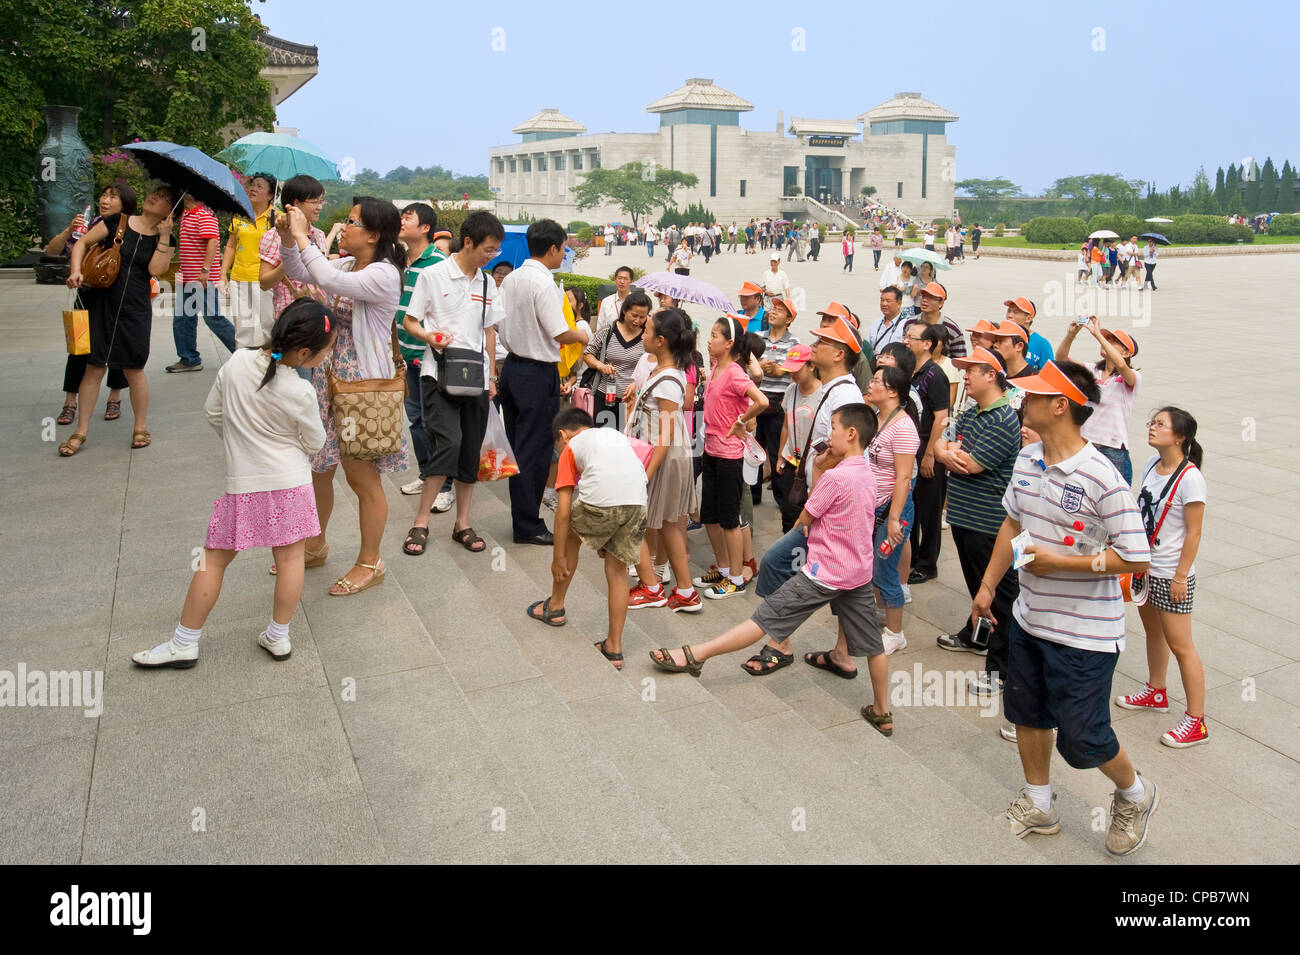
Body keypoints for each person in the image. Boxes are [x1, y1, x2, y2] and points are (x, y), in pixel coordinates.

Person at [971, 359, 1156, 857]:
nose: (1021, 401)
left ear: (1060, 406)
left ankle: (1134, 793)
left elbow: (1136, 556)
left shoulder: (1103, 477)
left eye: (1031, 395)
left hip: (1085, 635)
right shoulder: (1028, 458)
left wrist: (1065, 562)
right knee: (1027, 713)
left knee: (1083, 737)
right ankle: (1040, 803)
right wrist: (988, 585)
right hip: (1030, 620)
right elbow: (1011, 525)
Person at [651, 406, 892, 728]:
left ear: (851, 433)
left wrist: (819, 468)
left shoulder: (835, 476)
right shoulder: (868, 473)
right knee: (874, 648)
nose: (828, 435)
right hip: (859, 573)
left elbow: (806, 514)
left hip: (823, 573)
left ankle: (696, 654)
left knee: (763, 619)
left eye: (833, 427)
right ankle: (882, 711)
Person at [131, 300, 334, 668]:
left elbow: (212, 412)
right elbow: (316, 442)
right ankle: (278, 636)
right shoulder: (299, 391)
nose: (328, 353)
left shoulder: (238, 362)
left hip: (244, 484)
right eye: (326, 348)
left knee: (212, 561)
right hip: (291, 483)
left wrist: (239, 445)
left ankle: (184, 642)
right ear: (304, 351)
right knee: (290, 559)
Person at [277, 196, 405, 595]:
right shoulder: (350, 263)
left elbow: (326, 280)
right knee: (319, 467)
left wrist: (303, 235)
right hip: (328, 380)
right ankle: (316, 543)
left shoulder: (384, 274)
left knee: (361, 477)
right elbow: (302, 270)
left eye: (351, 222)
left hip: (361, 388)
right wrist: (287, 238)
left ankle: (371, 561)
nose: (344, 227)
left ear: (373, 234)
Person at [400, 210, 505, 557]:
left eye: (495, 251)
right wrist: (430, 336)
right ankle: (421, 521)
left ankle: (462, 522)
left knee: (470, 449)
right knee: (449, 441)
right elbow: (409, 321)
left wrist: (492, 376)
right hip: (438, 372)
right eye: (487, 249)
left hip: (475, 377)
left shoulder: (487, 282)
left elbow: (488, 331)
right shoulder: (433, 275)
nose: (491, 256)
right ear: (469, 242)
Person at [750, 314, 865, 611]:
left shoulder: (845, 395)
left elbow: (840, 455)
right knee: (844, 589)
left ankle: (779, 640)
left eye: (822, 341)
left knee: (776, 563)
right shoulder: (833, 390)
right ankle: (842, 653)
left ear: (839, 354)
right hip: (823, 503)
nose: (814, 344)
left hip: (827, 507)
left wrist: (815, 504)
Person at [525, 408, 648, 671]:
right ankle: (614, 648)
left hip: (604, 503)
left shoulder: (570, 448)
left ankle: (555, 606)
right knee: (617, 571)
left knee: (570, 533)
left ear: (562, 435)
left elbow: (563, 511)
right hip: (638, 501)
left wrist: (558, 557)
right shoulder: (613, 436)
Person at [1116, 407, 1209, 748]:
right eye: (1152, 423)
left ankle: (1196, 722)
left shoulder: (1191, 478)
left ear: (1180, 436)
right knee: (1153, 633)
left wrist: (1181, 575)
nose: (1152, 428)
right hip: (1147, 568)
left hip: (1172, 572)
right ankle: (1156, 692)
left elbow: (1194, 533)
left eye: (1160, 424)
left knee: (1181, 645)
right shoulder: (1152, 466)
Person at [61, 184, 177, 456]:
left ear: (170, 212)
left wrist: (164, 236)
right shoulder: (118, 222)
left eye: (163, 198)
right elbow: (82, 242)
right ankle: (80, 431)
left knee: (134, 369)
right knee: (94, 366)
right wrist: (76, 271)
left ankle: (140, 426)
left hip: (135, 309)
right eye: (155, 193)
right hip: (102, 303)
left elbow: (156, 271)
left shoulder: (167, 239)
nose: (154, 197)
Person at [934, 347, 1023, 699]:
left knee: (999, 596)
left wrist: (950, 454)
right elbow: (944, 442)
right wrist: (946, 452)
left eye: (971, 370)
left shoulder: (1003, 418)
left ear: (991, 375)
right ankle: (978, 636)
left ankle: (1001, 669)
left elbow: (971, 465)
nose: (964, 377)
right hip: (965, 516)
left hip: (990, 524)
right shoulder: (974, 411)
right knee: (978, 588)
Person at [497, 218, 592, 545]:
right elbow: (559, 332)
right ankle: (528, 525)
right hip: (536, 374)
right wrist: (582, 334)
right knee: (534, 451)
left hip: (511, 369)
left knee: (517, 448)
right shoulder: (544, 283)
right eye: (564, 248)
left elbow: (498, 325)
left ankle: (522, 517)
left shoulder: (510, 279)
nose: (564, 253)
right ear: (552, 248)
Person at [625, 308, 701, 612]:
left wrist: (645, 473)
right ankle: (685, 592)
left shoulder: (669, 378)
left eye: (647, 330)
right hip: (665, 457)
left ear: (661, 340)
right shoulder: (664, 370)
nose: (642, 333)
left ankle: (653, 587)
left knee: (634, 520)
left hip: (663, 459)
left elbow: (667, 432)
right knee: (670, 524)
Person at [692, 316, 769, 599]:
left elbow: (762, 401)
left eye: (715, 335)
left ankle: (736, 578)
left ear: (729, 343)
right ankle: (723, 569)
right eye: (710, 334)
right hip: (711, 450)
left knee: (729, 519)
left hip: (729, 456)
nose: (710, 339)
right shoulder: (714, 367)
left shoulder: (736, 372)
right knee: (709, 516)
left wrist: (742, 420)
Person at [50, 183, 132, 425]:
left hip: (115, 297)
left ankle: (114, 397)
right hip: (85, 296)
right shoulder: (89, 223)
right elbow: (53, 250)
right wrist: (69, 230)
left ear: (124, 204)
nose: (105, 200)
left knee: (116, 348)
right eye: (104, 195)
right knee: (79, 349)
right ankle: (69, 402)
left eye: (112, 197)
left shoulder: (128, 228)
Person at [391, 203, 447, 504]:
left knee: (435, 422)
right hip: (405, 355)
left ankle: (446, 487)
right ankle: (427, 475)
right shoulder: (400, 260)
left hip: (429, 357)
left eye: (407, 217)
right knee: (415, 420)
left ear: (425, 228)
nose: (401, 221)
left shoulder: (438, 262)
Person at [864, 365, 920, 657]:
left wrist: (896, 518)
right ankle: (880, 613)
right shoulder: (876, 417)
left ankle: (895, 634)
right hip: (874, 506)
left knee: (886, 570)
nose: (870, 385)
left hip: (893, 509)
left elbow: (903, 478)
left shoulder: (904, 427)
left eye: (876, 382)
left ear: (893, 391)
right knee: (875, 566)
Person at [1056, 318, 1140, 484]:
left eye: (1114, 341)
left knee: (1114, 499)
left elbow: (1122, 366)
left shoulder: (1131, 377)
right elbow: (1061, 359)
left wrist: (1098, 336)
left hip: (1112, 449)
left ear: (1125, 353)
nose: (1107, 342)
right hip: (1083, 445)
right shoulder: (1092, 370)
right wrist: (1070, 336)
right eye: (1107, 339)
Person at [903, 322, 951, 584]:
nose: (907, 341)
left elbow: (942, 417)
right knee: (912, 504)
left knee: (929, 509)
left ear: (927, 344)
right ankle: (910, 557)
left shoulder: (935, 375)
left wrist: (931, 454)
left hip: (927, 444)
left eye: (912, 337)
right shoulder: (909, 371)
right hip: (909, 445)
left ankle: (927, 563)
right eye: (906, 336)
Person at [168, 194, 237, 372]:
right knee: (182, 319)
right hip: (187, 277)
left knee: (213, 318)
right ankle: (189, 359)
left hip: (202, 278)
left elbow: (213, 242)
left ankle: (242, 353)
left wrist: (205, 270)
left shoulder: (204, 214)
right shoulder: (185, 213)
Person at [258, 175, 329, 326]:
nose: (320, 207)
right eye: (315, 202)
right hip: (290, 317)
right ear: (296, 203)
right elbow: (264, 283)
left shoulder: (319, 235)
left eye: (321, 201)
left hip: (318, 314)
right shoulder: (274, 236)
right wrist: (290, 260)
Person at [581, 289, 650, 430]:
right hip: (604, 397)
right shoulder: (608, 331)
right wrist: (601, 366)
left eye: (642, 317)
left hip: (631, 401)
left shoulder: (647, 337)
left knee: (625, 442)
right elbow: (587, 354)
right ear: (625, 311)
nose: (637, 321)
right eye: (634, 315)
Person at [753, 298, 799, 507]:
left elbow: (790, 371)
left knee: (777, 452)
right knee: (753, 449)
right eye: (772, 309)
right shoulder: (758, 338)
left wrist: (778, 369)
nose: (772, 312)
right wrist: (761, 367)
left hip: (779, 404)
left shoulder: (794, 344)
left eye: (779, 311)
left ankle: (782, 500)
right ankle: (753, 495)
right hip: (756, 402)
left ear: (789, 319)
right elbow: (749, 366)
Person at [222, 172, 275, 347]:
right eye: (252, 185)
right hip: (239, 278)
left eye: (260, 186)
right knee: (243, 329)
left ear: (270, 195)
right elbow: (231, 245)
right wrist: (223, 274)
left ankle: (268, 366)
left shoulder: (277, 218)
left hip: (264, 280)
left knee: (267, 327)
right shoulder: (240, 215)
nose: (253, 189)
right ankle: (243, 367)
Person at [773, 344, 821, 533]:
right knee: (788, 511)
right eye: (789, 370)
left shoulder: (822, 394)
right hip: (791, 460)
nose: (792, 374)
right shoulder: (791, 390)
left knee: (808, 513)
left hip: (812, 465)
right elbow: (786, 424)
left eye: (797, 369)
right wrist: (779, 456)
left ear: (811, 366)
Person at [905, 280, 967, 359]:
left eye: (930, 297)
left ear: (941, 303)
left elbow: (960, 359)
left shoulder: (952, 329)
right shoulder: (910, 323)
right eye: (923, 296)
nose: (924, 300)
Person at [1002, 297, 1053, 371]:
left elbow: (1048, 374)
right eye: (1009, 311)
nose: (1009, 315)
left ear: (1028, 319)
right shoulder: (1000, 338)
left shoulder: (1042, 344)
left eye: (1015, 312)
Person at [868, 286, 907, 353]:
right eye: (882, 300)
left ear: (899, 303)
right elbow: (868, 345)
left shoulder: (905, 325)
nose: (884, 304)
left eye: (888, 301)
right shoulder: (876, 323)